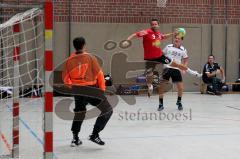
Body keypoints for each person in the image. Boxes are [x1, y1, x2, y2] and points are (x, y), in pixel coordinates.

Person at [123, 18, 201, 96]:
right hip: (149, 58)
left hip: (160, 56)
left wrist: (173, 33)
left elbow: (164, 36)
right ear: (151, 25)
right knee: (149, 75)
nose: (154, 25)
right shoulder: (147, 32)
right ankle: (150, 86)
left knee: (176, 65)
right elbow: (135, 34)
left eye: (155, 24)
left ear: (158, 25)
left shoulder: (158, 34)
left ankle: (194, 73)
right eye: (152, 24)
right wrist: (127, 40)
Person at [62, 37, 113, 146]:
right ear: (84, 45)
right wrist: (102, 89)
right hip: (92, 89)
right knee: (107, 110)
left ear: (74, 46)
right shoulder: (90, 57)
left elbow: (66, 80)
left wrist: (75, 87)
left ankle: (75, 139)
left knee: (79, 113)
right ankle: (95, 135)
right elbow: (99, 74)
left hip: (78, 91)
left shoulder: (69, 60)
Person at [158, 35, 189, 111]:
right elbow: (161, 55)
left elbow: (186, 60)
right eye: (175, 38)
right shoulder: (168, 46)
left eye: (178, 38)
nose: (176, 39)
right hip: (167, 68)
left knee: (181, 88)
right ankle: (160, 104)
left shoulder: (183, 49)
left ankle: (179, 102)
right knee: (162, 87)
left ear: (181, 40)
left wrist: (184, 68)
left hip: (176, 69)